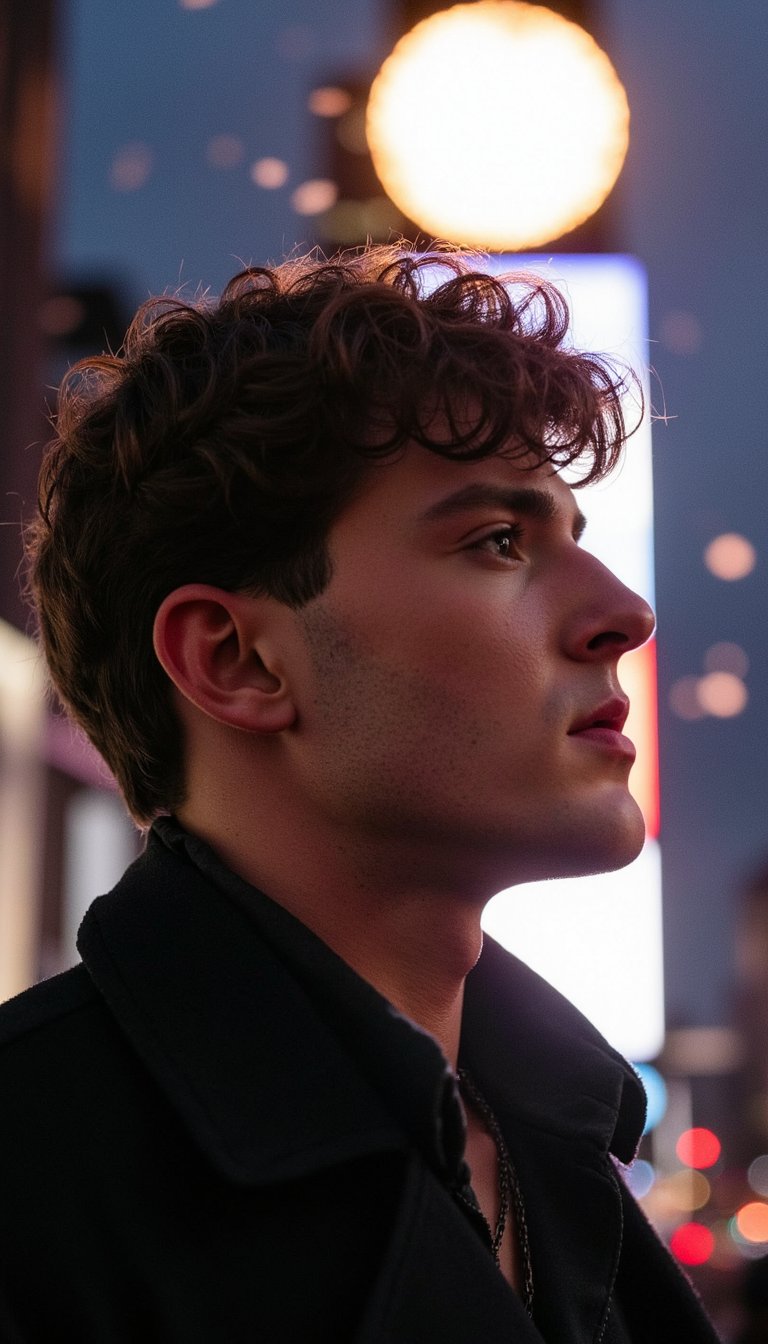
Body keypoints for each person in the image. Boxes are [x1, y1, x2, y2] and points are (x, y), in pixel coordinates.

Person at [0, 245, 720, 1342]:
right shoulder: (34, 1181)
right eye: (498, 541)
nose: (625, 614)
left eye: (574, 537)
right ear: (236, 660)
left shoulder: (561, 1158)